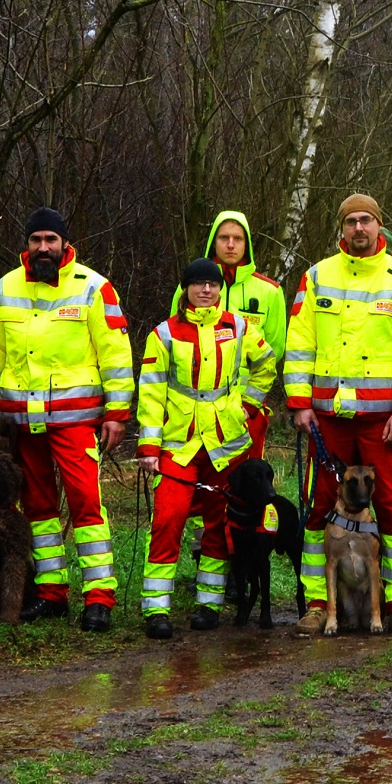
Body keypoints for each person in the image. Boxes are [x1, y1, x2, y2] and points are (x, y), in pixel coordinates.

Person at [285, 193, 392, 636]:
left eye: (366, 221)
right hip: (328, 418)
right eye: (351, 221)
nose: (359, 228)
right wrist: (299, 403)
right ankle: (317, 604)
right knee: (319, 509)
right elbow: (300, 342)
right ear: (341, 229)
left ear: (379, 226)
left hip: (382, 421)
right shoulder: (316, 277)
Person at [0, 206, 133, 630]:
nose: (43, 248)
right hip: (20, 420)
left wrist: (118, 412)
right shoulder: (5, 288)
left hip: (76, 419)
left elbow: (117, 356)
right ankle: (51, 593)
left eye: (51, 240)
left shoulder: (93, 287)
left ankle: (99, 597)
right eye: (36, 240)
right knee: (38, 508)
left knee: (87, 504)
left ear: (65, 243)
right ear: (26, 245)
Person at [135, 258, 277, 638]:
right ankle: (157, 610)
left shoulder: (239, 326)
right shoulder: (164, 333)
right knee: (168, 518)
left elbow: (266, 364)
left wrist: (249, 405)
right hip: (179, 443)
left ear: (219, 289)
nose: (206, 290)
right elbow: (150, 389)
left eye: (212, 285)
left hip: (226, 443)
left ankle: (209, 605)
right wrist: (149, 444)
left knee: (220, 523)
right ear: (185, 290)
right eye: (197, 284)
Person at [173, 211, 289, 457]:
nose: (230, 244)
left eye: (237, 238)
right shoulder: (190, 288)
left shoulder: (270, 291)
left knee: (248, 477)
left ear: (247, 244)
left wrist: (249, 402)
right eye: (224, 237)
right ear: (213, 242)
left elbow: (274, 349)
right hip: (195, 404)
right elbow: (176, 341)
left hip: (248, 405)